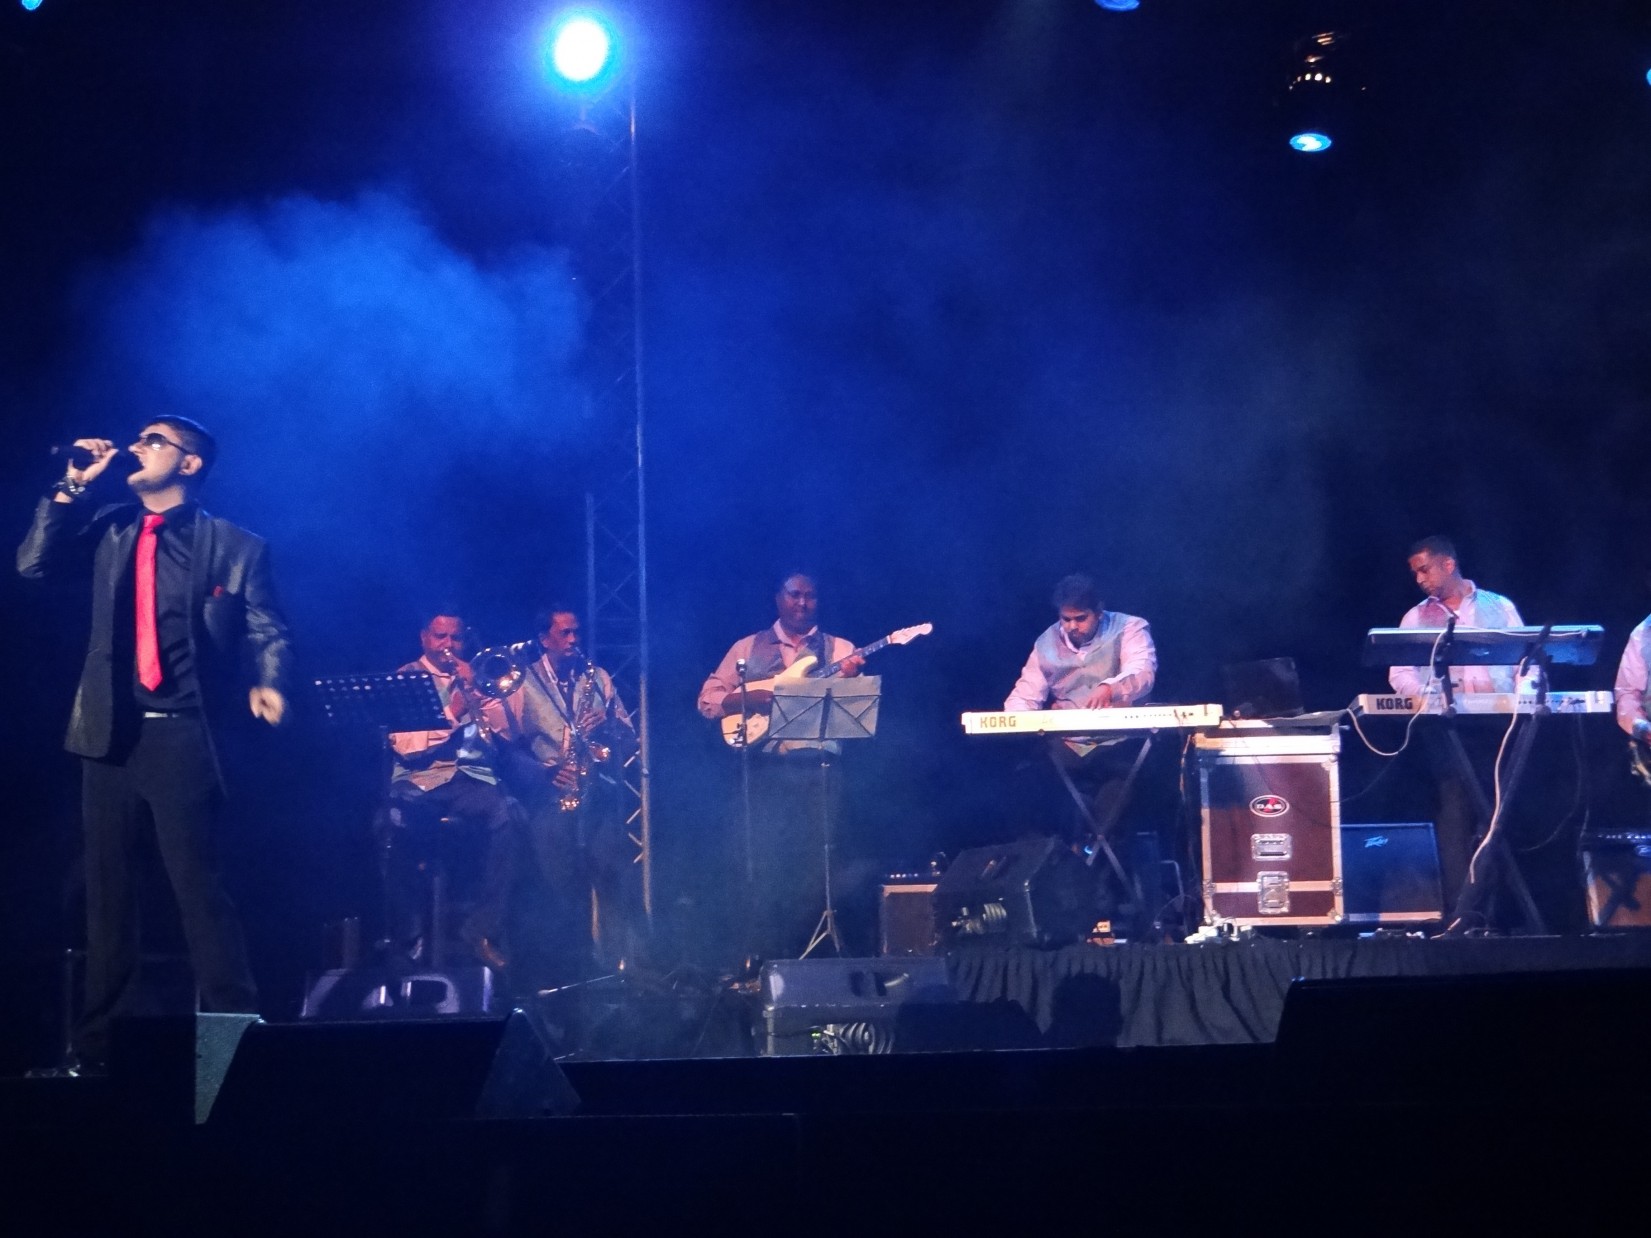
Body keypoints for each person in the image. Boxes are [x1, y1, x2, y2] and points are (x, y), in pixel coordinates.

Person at [17, 418, 292, 1073]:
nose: (135, 446)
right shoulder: (109, 526)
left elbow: (268, 628)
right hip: (107, 733)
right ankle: (95, 1052)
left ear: (189, 464)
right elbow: (33, 564)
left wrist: (270, 682)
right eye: (137, 439)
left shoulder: (235, 545)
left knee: (197, 890)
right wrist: (71, 487)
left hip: (181, 732)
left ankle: (236, 1046)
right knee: (106, 896)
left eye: (153, 440)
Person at [698, 572, 864, 963]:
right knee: (764, 860)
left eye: (810, 596)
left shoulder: (840, 648)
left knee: (817, 864)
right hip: (765, 768)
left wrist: (850, 679)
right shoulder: (747, 646)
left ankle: (813, 951)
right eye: (794, 595)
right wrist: (748, 698)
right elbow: (707, 699)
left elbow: (856, 708)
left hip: (819, 768)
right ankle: (766, 952)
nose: (802, 603)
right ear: (778, 598)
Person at [1385, 535, 1526, 928]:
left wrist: (1523, 696)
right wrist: (1426, 699)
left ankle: (1496, 914)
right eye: (1415, 573)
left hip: (1498, 724)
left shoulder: (1500, 607)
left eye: (1424, 570)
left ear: (1448, 564)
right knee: (1455, 813)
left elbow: (1525, 659)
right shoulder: (1416, 618)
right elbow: (1399, 673)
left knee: (1497, 816)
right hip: (1447, 727)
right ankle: (1461, 915)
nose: (1419, 579)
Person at [1003, 573, 1158, 929]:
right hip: (1070, 743)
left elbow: (1143, 671)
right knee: (1027, 785)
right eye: (1066, 619)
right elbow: (1026, 693)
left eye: (1080, 618)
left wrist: (1112, 687)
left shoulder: (1130, 628)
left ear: (1099, 611)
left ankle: (1104, 899)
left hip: (1119, 743)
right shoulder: (1046, 642)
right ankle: (1043, 885)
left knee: (1113, 806)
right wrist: (1011, 718)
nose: (1072, 627)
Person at [494, 605, 635, 981]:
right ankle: (570, 970)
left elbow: (628, 735)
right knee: (561, 886)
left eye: (576, 632)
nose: (574, 640)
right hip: (549, 797)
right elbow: (505, 747)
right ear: (545, 639)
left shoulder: (597, 678)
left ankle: (617, 967)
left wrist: (607, 726)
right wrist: (545, 771)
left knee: (612, 875)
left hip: (597, 794)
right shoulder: (522, 680)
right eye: (565, 633)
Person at [385, 611, 524, 973]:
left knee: (509, 815)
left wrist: (483, 691)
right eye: (440, 637)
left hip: (469, 780)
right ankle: (409, 934)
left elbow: (508, 735)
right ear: (424, 638)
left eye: (455, 638)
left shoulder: (475, 676)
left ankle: (481, 929)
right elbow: (407, 747)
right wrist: (453, 711)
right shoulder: (407, 677)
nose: (448, 645)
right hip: (420, 779)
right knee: (388, 826)